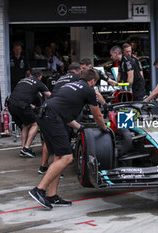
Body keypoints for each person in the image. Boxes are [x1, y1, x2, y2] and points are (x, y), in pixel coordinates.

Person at [29, 69, 109, 209]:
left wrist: (80, 127)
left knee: (58, 158)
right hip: (52, 119)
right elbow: (97, 115)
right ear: (92, 81)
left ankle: (51, 195)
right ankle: (39, 190)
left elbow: (62, 112)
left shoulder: (69, 86)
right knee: (67, 158)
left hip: (45, 115)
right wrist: (104, 128)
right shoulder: (89, 90)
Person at [38, 62, 82, 175]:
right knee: (61, 142)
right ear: (78, 71)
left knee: (48, 140)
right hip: (58, 112)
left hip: (46, 109)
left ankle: (43, 166)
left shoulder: (61, 78)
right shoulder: (78, 77)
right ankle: (57, 170)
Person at [7, 69, 51, 158]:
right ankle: (26, 148)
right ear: (40, 77)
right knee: (35, 124)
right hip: (22, 105)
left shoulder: (22, 80)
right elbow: (50, 95)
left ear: (30, 75)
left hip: (11, 104)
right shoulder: (39, 83)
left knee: (25, 125)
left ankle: (23, 149)